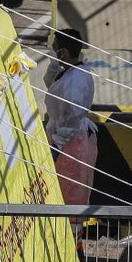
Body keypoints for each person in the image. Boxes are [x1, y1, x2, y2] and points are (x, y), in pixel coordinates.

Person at [43, 28, 97, 210]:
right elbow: (52, 85)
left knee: (68, 193)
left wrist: (57, 145)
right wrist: (53, 65)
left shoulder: (75, 80)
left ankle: (72, 237)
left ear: (63, 51)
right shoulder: (69, 72)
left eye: (55, 47)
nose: (52, 50)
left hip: (69, 145)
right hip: (65, 139)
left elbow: (71, 115)